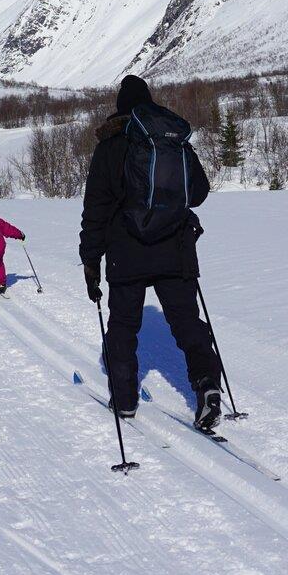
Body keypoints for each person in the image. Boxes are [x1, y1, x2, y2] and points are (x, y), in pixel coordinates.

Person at [79, 75, 223, 430]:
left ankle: (125, 398)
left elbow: (95, 209)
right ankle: (207, 385)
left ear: (119, 107)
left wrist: (90, 259)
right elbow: (200, 191)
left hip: (125, 252)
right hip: (174, 248)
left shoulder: (110, 145)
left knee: (124, 327)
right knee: (188, 322)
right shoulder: (172, 140)